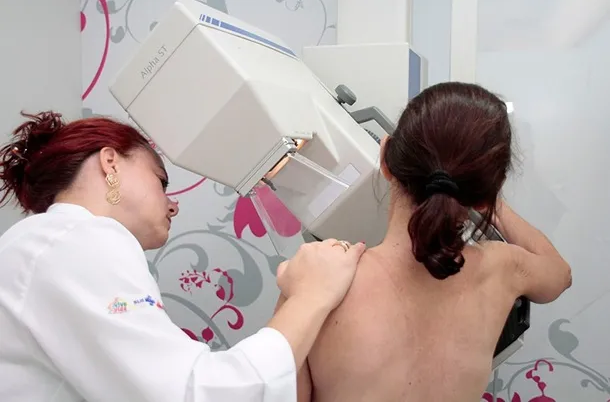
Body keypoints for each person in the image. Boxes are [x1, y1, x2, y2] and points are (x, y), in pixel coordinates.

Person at [0, 111, 366, 402]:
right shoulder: (78, 240)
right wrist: (311, 296)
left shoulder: (50, 244)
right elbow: (193, 393)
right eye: (161, 182)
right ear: (110, 163)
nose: (173, 205)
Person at [289, 82, 573, 402]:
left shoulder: (316, 286)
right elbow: (560, 274)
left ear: (385, 158)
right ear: (485, 195)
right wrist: (491, 199)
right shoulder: (502, 268)